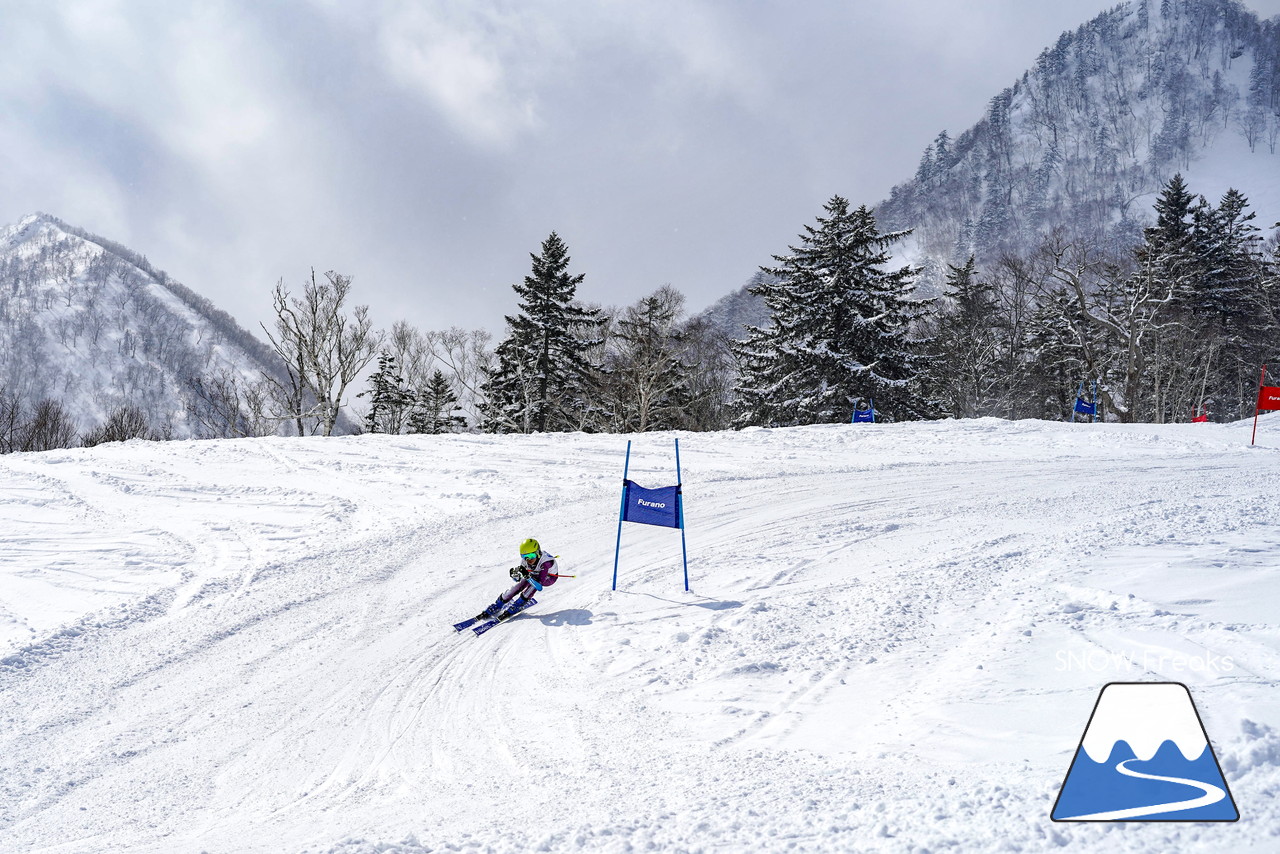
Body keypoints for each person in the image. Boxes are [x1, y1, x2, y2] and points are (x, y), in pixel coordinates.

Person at [473, 538, 560, 623]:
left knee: (532, 586)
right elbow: (518, 580)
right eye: (525, 556)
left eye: (531, 556)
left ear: (538, 553)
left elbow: (539, 586)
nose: (529, 560)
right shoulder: (525, 561)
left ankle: (519, 604)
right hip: (535, 574)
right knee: (519, 585)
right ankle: (498, 604)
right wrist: (516, 576)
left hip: (548, 578)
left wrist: (527, 576)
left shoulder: (546, 563)